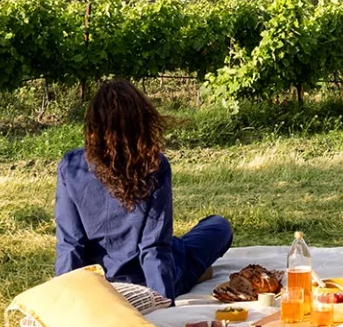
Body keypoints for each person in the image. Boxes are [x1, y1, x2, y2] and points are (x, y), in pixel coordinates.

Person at [55, 79, 233, 300]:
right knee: (219, 227)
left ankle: (190, 264)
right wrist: (162, 306)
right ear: (141, 122)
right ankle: (193, 271)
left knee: (183, 243)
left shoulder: (72, 165)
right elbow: (154, 248)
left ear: (93, 125)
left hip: (99, 285)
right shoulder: (154, 165)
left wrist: (64, 303)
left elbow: (70, 244)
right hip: (144, 283)